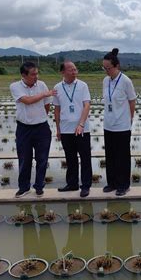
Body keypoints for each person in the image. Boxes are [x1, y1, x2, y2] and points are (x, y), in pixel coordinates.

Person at [10, 61, 56, 198]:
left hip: (41, 128)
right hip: (24, 129)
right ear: (23, 75)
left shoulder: (41, 85)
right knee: (24, 159)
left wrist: (40, 117)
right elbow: (27, 100)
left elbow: (47, 105)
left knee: (42, 159)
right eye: (33, 74)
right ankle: (24, 188)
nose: (36, 76)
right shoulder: (15, 86)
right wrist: (44, 94)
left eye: (37, 73)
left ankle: (39, 187)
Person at [53, 61, 92, 198]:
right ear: (63, 72)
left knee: (85, 157)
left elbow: (86, 105)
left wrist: (81, 124)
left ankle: (86, 186)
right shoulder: (57, 87)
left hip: (82, 129)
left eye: (75, 69)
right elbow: (57, 110)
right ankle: (72, 183)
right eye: (71, 70)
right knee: (70, 158)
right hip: (65, 129)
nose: (74, 72)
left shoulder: (82, 86)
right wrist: (58, 129)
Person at [102, 48, 137, 196]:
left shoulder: (125, 81)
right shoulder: (105, 80)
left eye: (108, 68)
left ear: (117, 66)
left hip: (122, 126)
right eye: (104, 68)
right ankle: (112, 183)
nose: (106, 71)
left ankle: (123, 185)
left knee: (122, 156)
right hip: (108, 124)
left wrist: (129, 119)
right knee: (110, 155)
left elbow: (132, 101)